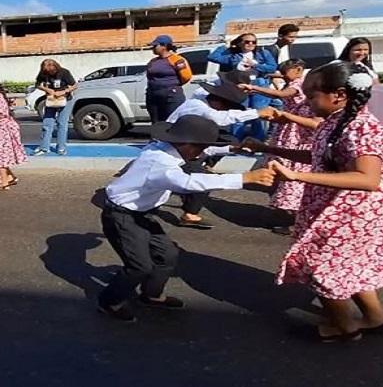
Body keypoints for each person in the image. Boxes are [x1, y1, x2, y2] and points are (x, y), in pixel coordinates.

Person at [246, 61, 383, 342]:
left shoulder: (362, 127)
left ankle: (343, 327)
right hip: (336, 206)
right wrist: (267, 148)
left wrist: (297, 177)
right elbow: (321, 158)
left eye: (312, 95)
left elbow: (367, 178)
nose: (307, 102)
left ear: (339, 95)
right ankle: (375, 318)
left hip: (353, 210)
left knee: (320, 265)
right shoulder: (336, 121)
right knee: (347, 266)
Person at [96, 115, 275, 322]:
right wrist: (244, 178)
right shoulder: (160, 164)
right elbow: (189, 183)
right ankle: (109, 301)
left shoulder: (166, 147)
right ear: (187, 145)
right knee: (139, 266)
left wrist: (232, 149)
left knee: (168, 255)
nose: (202, 153)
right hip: (121, 215)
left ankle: (151, 295)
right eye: (200, 148)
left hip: (142, 213)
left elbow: (205, 150)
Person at [164, 71, 270, 230]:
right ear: (219, 102)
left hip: (184, 150)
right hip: (172, 151)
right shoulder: (198, 106)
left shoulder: (204, 108)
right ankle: (189, 214)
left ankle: (187, 207)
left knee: (195, 176)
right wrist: (257, 113)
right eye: (227, 106)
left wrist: (233, 148)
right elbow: (222, 119)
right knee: (201, 180)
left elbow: (205, 147)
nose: (226, 110)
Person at [240, 59, 318, 236]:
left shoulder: (299, 84)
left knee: (290, 168)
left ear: (298, 70)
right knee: (280, 165)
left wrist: (254, 88)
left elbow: (282, 96)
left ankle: (298, 217)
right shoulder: (294, 81)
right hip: (289, 129)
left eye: (286, 72)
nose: (283, 76)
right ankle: (289, 209)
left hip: (297, 133)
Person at [209, 33, 279, 141]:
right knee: (239, 112)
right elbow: (213, 57)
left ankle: (258, 141)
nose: (250, 44)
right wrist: (225, 45)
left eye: (253, 42)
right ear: (240, 43)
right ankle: (236, 141)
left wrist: (255, 65)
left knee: (259, 113)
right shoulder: (233, 55)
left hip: (258, 83)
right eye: (247, 41)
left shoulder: (263, 53)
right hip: (240, 85)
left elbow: (272, 67)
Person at [31, 59, 78, 156]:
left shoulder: (64, 72)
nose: (50, 73)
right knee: (47, 124)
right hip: (51, 100)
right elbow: (38, 84)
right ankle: (44, 147)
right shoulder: (43, 73)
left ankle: (61, 147)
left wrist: (64, 91)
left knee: (62, 124)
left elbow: (74, 85)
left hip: (65, 99)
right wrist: (47, 89)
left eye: (52, 71)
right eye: (47, 71)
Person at [145, 35, 192, 124]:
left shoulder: (177, 60)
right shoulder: (153, 61)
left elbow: (186, 77)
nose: (153, 48)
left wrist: (172, 86)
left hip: (171, 96)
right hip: (153, 96)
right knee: (157, 123)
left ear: (164, 46)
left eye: (155, 46)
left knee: (172, 122)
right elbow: (149, 76)